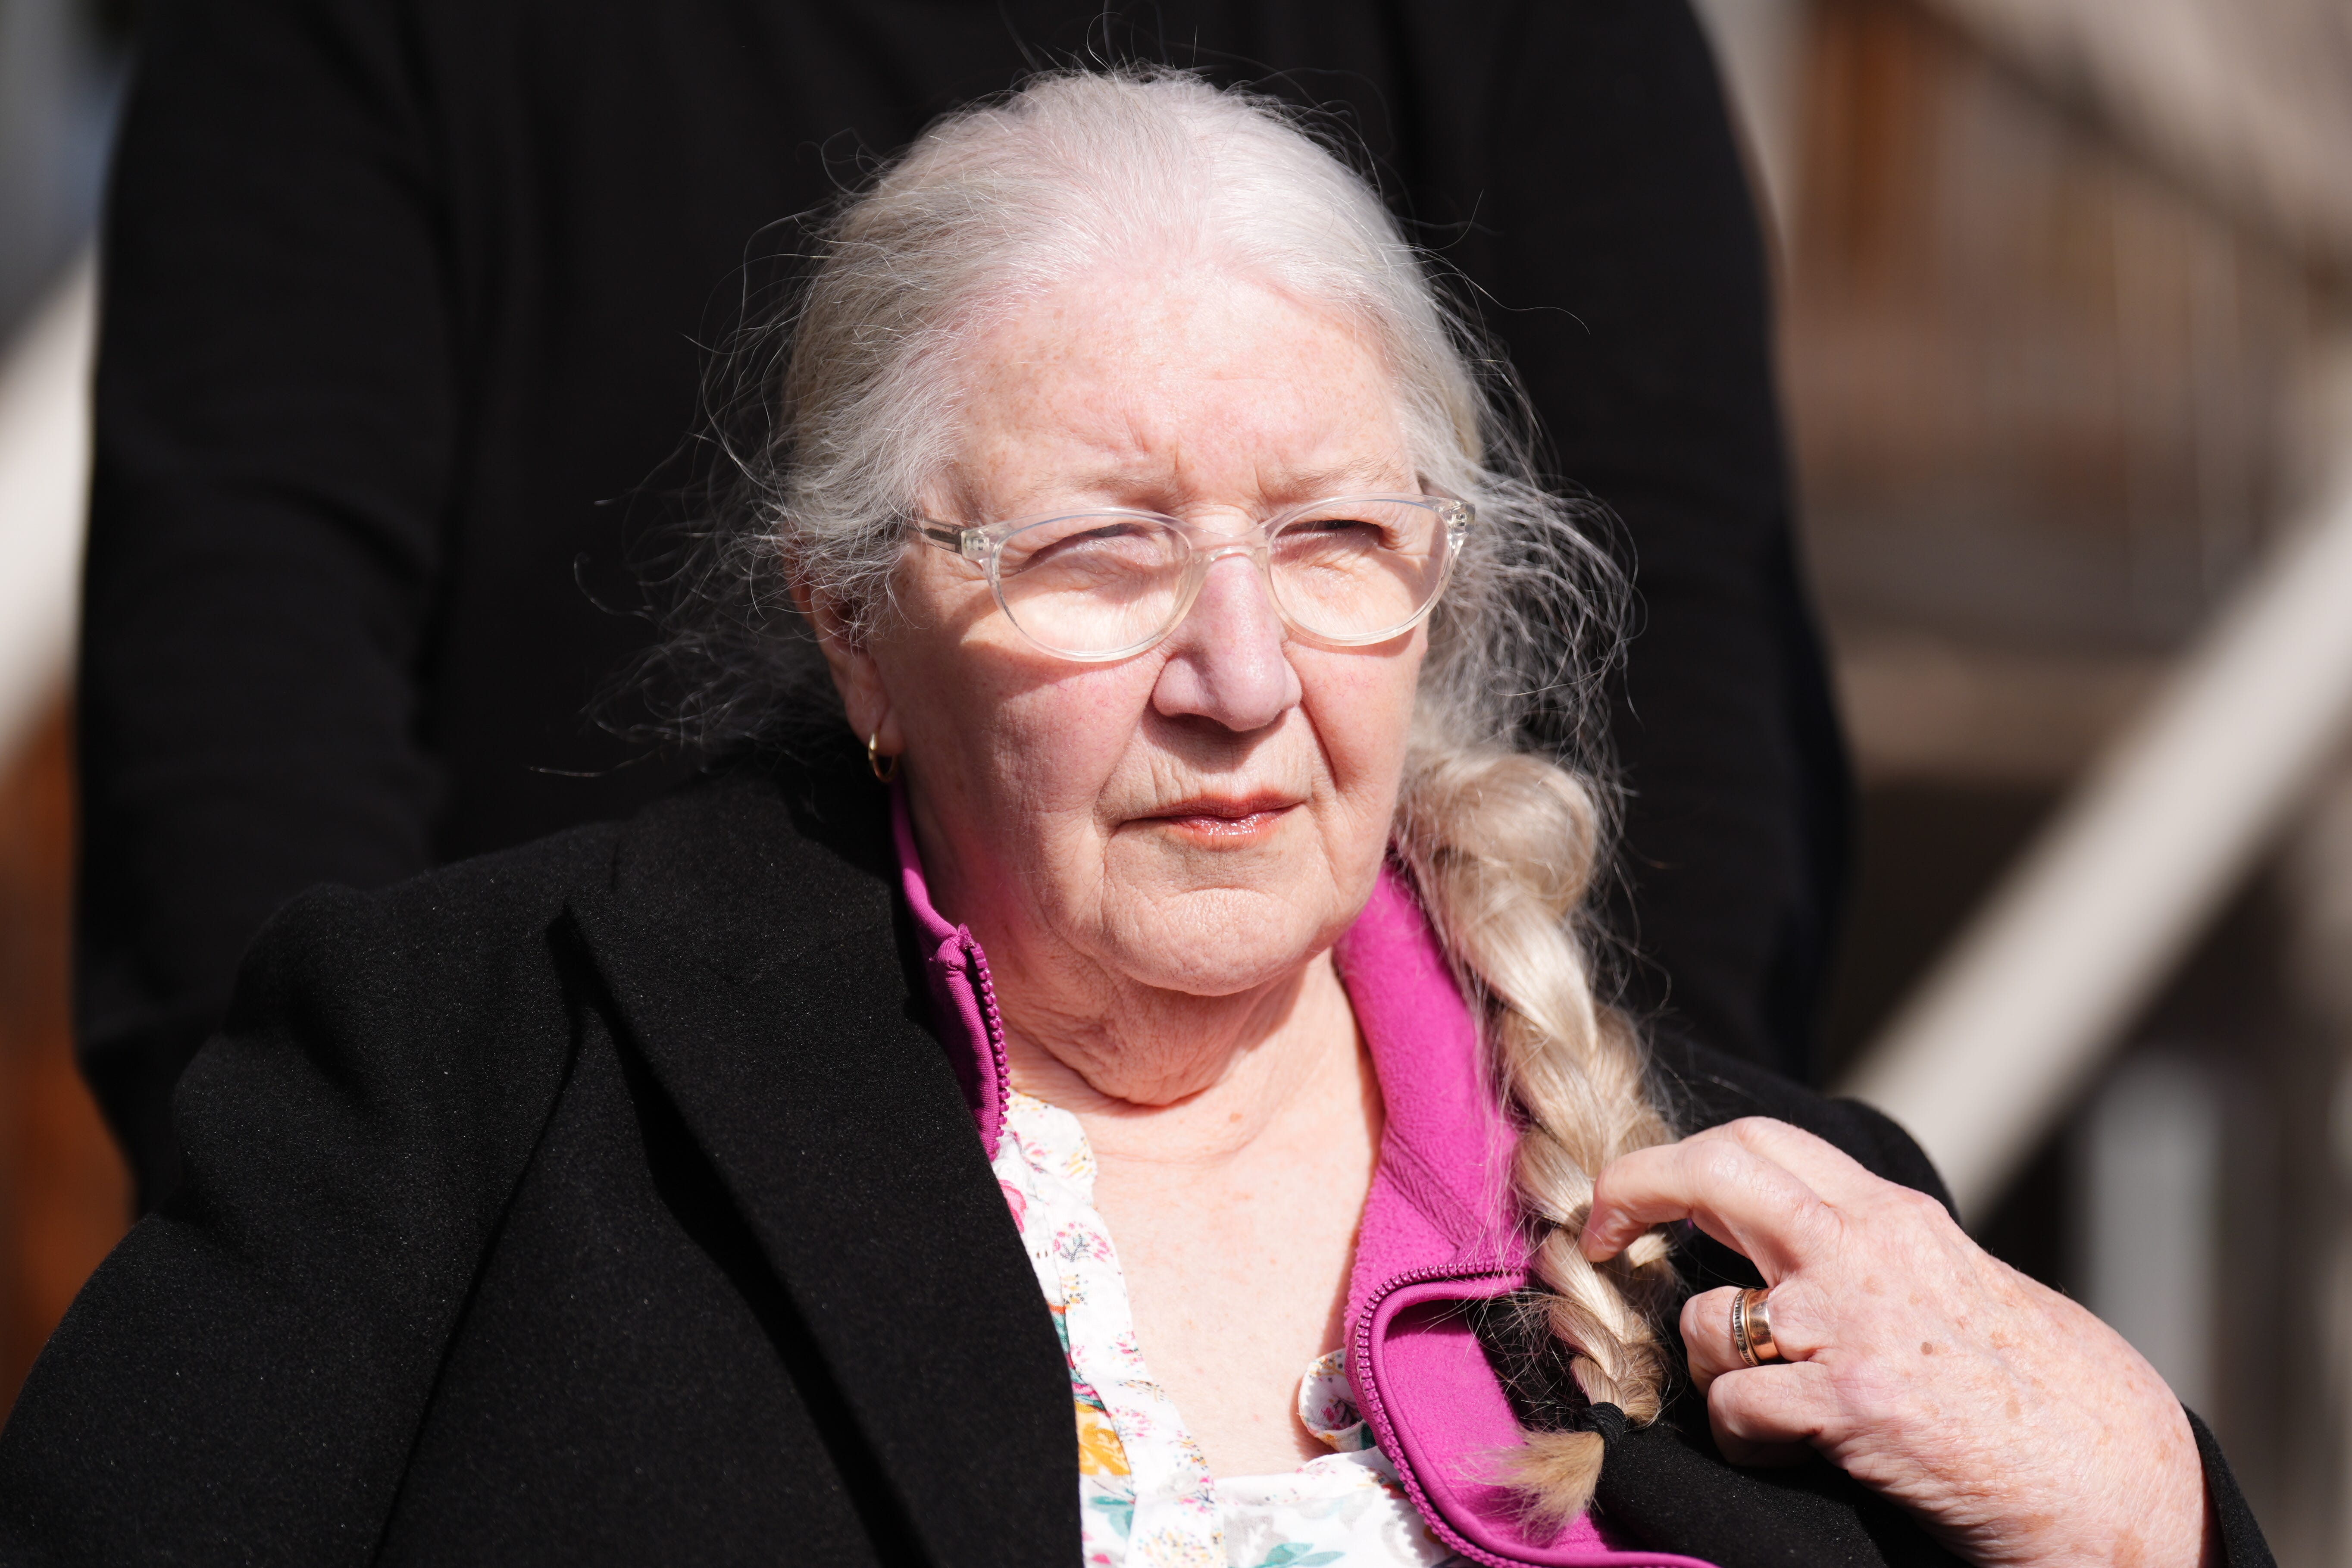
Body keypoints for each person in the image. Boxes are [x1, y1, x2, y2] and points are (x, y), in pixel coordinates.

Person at [9, 73, 2260, 1568]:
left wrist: (2147, 1500)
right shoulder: (465, 1075)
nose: (1241, 674)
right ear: (862, 627)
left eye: (1333, 542)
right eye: (1095, 550)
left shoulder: (1776, 1245)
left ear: (1440, 586)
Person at [81, 0, 1843, 1209]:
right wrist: (440, 1287)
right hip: (566, 1230)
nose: (1233, 674)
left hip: (1417, 1240)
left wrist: (1609, 1265)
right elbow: (239, 725)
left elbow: (1688, 696)